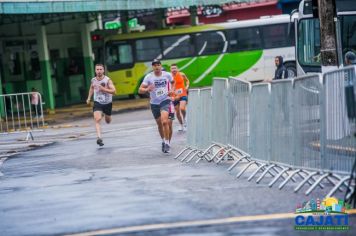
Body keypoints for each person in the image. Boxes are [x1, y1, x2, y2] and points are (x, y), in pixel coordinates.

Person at [139, 59, 175, 153]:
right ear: (152, 67)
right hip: (154, 103)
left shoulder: (167, 74)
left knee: (164, 122)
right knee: (159, 124)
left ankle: (167, 143)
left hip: (165, 100)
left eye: (158, 64)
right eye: (155, 65)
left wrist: (172, 90)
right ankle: (163, 140)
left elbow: (173, 82)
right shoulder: (149, 77)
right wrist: (147, 89)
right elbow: (140, 90)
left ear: (161, 66)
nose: (157, 67)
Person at [86, 64, 116, 146]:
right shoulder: (93, 80)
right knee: (97, 119)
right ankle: (99, 138)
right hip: (97, 102)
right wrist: (89, 98)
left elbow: (114, 91)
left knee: (108, 121)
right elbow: (92, 88)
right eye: (97, 69)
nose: (99, 71)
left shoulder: (107, 80)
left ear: (103, 70)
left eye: (100, 69)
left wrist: (104, 89)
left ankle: (106, 114)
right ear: (95, 70)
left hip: (107, 103)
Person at [170, 64, 189, 131]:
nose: (174, 69)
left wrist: (187, 86)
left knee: (182, 108)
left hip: (183, 94)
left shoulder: (182, 74)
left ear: (177, 69)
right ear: (170, 70)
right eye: (172, 68)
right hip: (174, 96)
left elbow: (187, 81)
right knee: (177, 112)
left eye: (175, 68)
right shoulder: (169, 77)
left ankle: (184, 118)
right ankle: (181, 125)